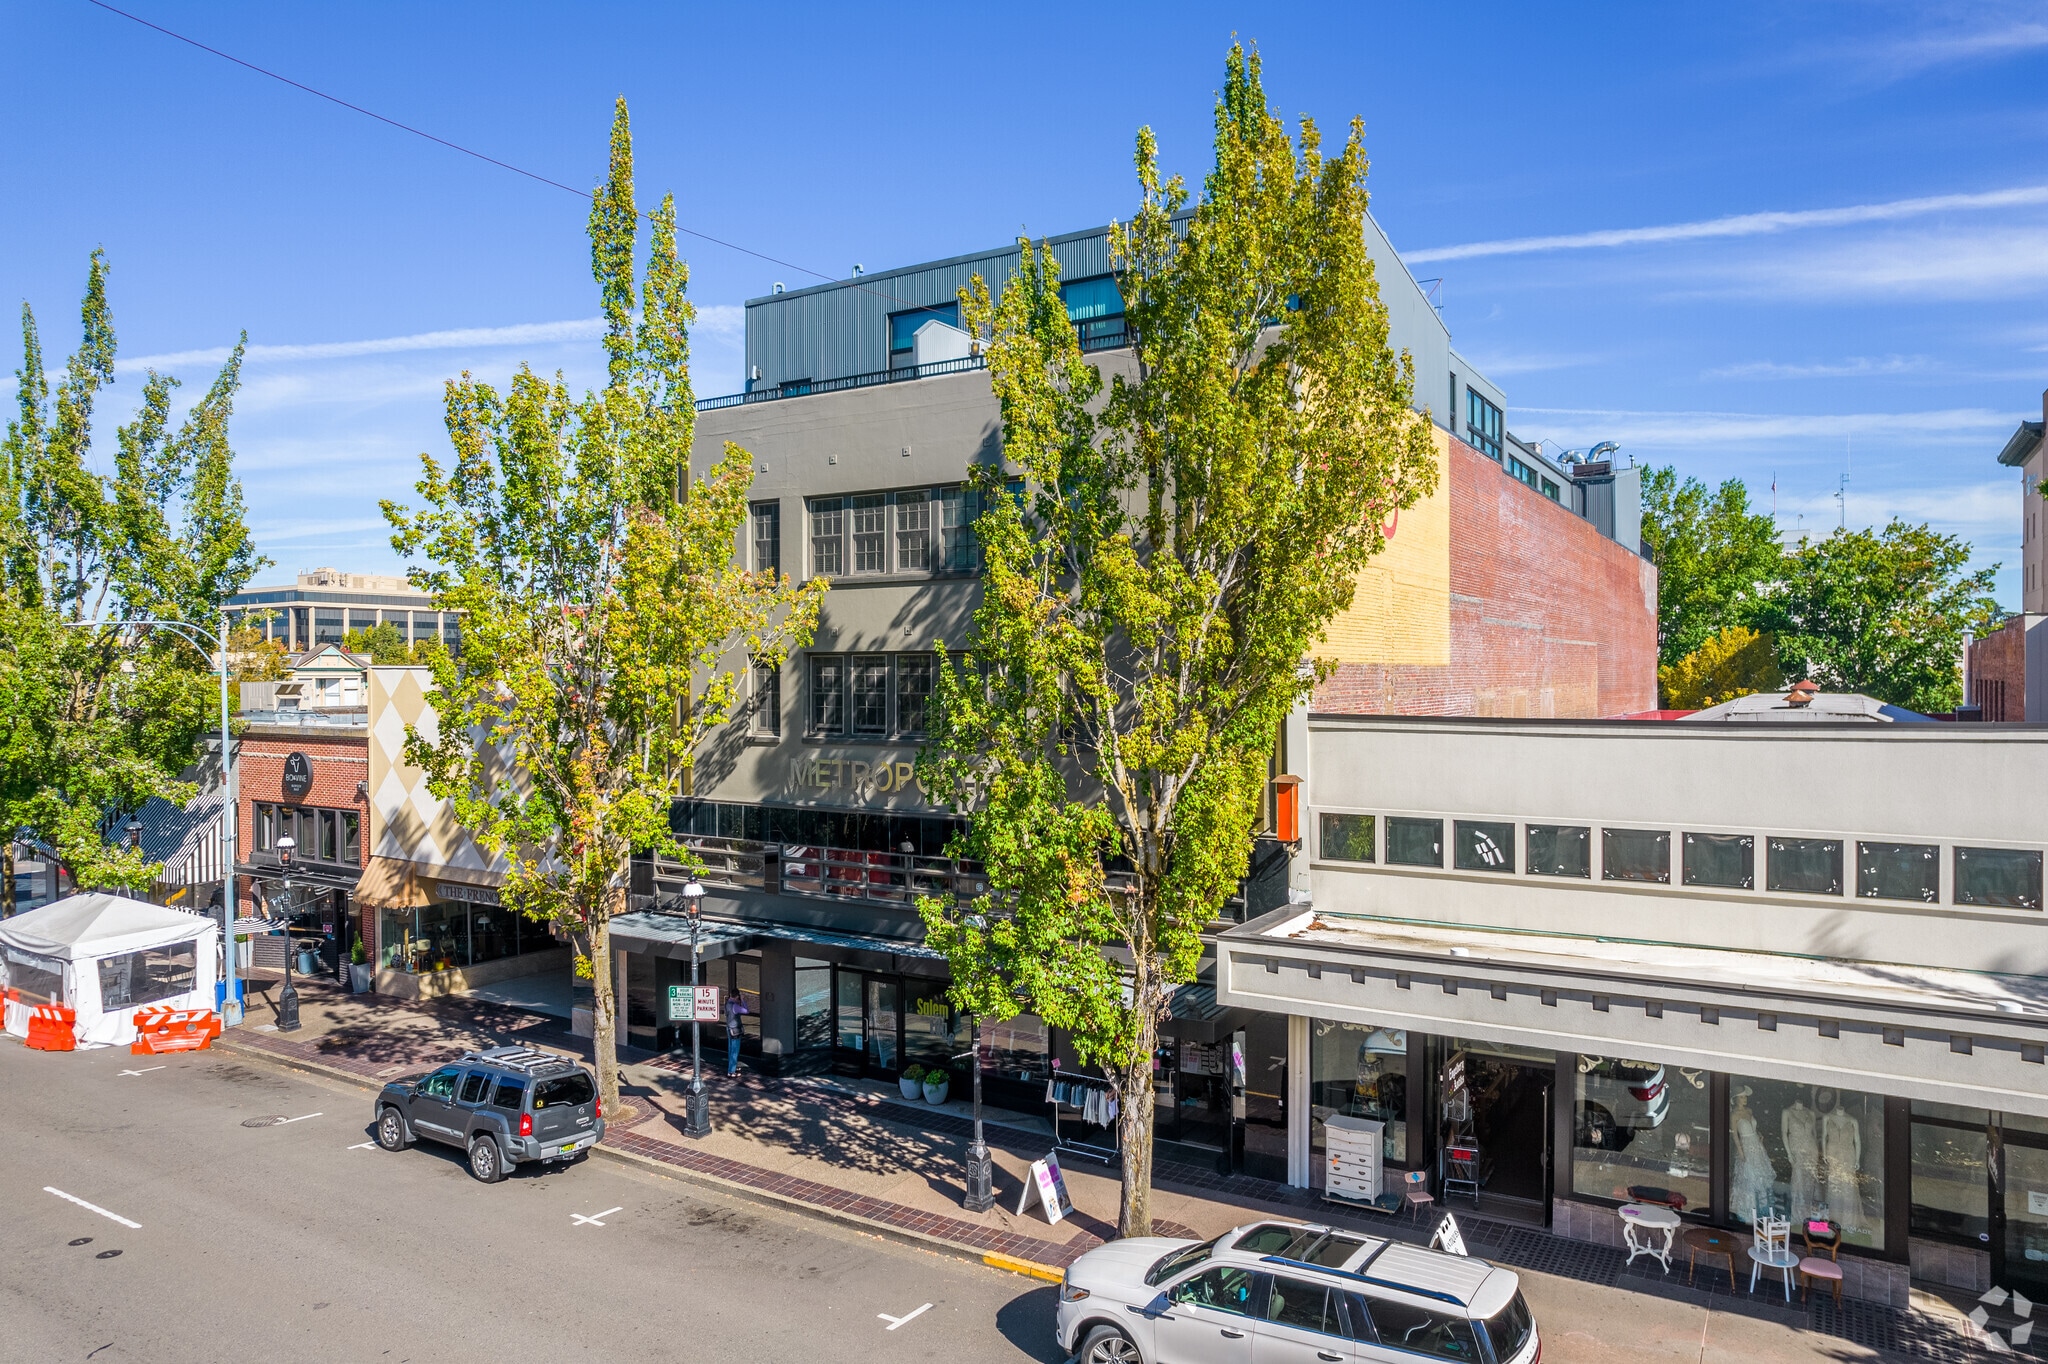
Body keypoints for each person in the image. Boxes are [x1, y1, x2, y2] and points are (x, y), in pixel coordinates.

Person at [724, 990, 748, 1076]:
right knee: (735, 1050)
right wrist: (743, 1000)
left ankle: (732, 1067)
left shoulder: (727, 1004)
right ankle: (731, 1071)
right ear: (737, 996)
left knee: (731, 1049)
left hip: (729, 1028)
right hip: (735, 1030)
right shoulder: (735, 1006)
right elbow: (746, 1011)